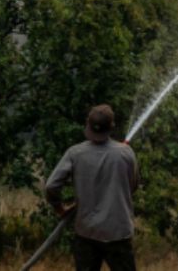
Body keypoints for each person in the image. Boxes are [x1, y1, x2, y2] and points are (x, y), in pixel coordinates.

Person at [46, 104, 139, 271]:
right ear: (112, 127)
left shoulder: (75, 153)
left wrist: (59, 208)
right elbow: (132, 186)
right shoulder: (126, 153)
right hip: (118, 233)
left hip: (86, 233)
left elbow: (51, 186)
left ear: (87, 124)